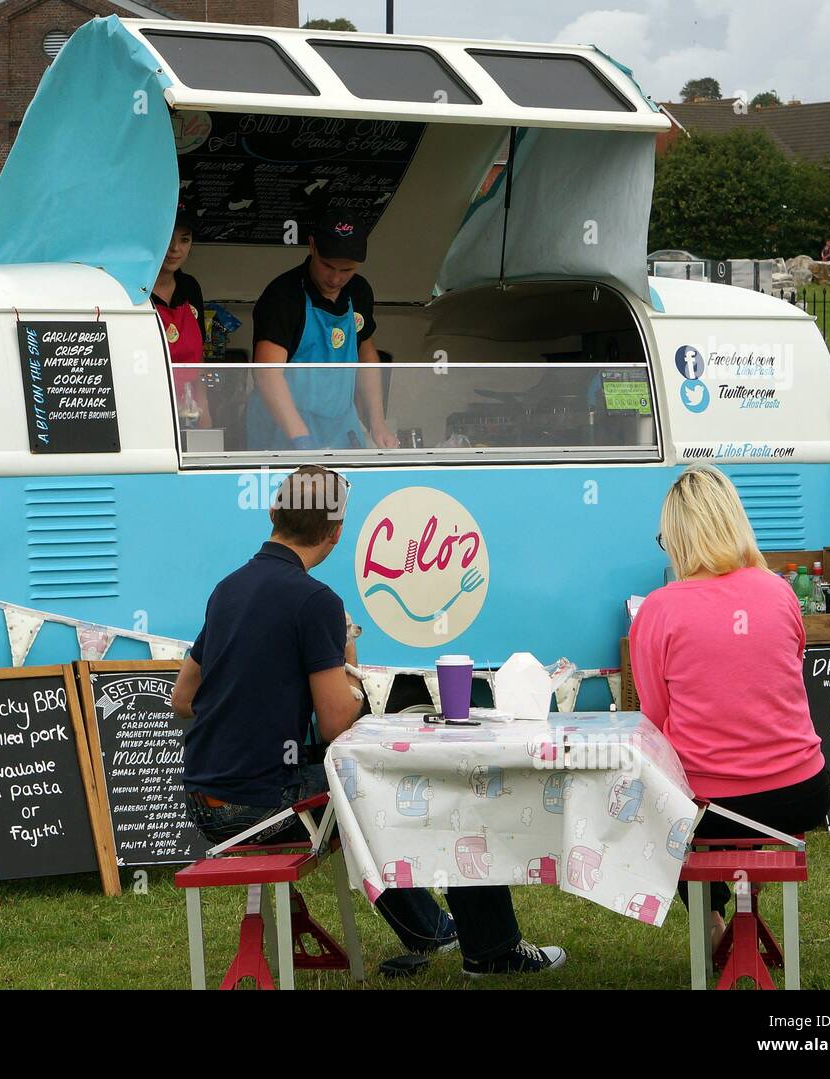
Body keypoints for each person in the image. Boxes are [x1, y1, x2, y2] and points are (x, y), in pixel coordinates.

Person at [174, 465, 566, 976]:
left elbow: (184, 698)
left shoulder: (226, 590)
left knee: (366, 792)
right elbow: (339, 722)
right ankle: (491, 949)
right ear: (337, 535)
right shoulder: (315, 602)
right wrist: (348, 653)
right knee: (440, 789)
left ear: (272, 513)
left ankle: (434, 930)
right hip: (259, 807)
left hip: (206, 803)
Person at [629, 465, 830, 946]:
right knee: (732, 818)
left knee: (648, 805)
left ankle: (713, 919)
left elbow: (655, 721)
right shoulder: (781, 593)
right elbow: (786, 682)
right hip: (804, 791)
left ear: (677, 537)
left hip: (712, 804)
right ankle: (747, 891)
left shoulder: (659, 609)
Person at [246, 212, 399, 452]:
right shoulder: (283, 295)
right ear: (312, 246)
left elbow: (367, 357)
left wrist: (376, 421)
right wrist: (301, 439)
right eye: (327, 265)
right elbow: (267, 374)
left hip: (340, 424)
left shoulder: (359, 292)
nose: (336, 278)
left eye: (347, 270)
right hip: (283, 427)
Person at [152, 198, 210, 427]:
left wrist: (205, 413)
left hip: (189, 410)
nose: (175, 249)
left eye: (184, 239)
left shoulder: (190, 287)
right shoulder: (134, 290)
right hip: (147, 407)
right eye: (167, 238)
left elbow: (199, 360)